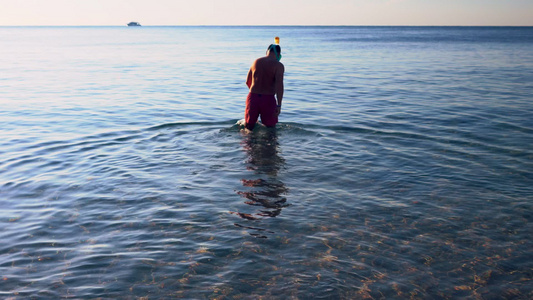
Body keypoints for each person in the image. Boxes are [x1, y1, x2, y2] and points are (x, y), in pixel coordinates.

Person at [244, 44, 284, 131]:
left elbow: (247, 82)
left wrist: (256, 93)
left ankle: (248, 144)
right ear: (279, 54)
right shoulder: (278, 65)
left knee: (248, 128)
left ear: (267, 52)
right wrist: (279, 105)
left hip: (253, 97)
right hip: (268, 99)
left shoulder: (256, 62)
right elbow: (279, 86)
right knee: (270, 130)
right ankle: (268, 144)